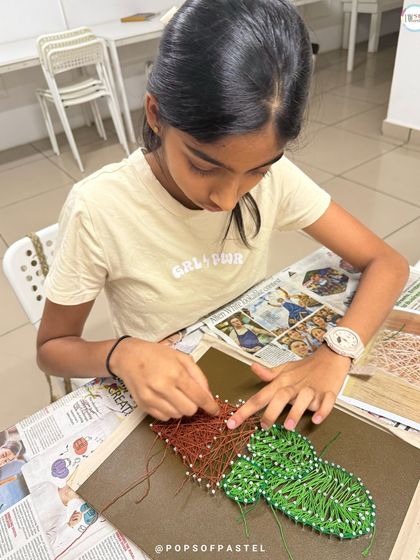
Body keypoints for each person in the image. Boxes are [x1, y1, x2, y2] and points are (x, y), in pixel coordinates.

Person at [36, 0, 408, 434]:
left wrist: (336, 352)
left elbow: (388, 262)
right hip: (164, 387)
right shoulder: (98, 207)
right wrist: (121, 352)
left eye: (257, 170)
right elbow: (51, 348)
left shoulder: (278, 179)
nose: (228, 199)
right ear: (155, 114)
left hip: (246, 359)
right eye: (204, 166)